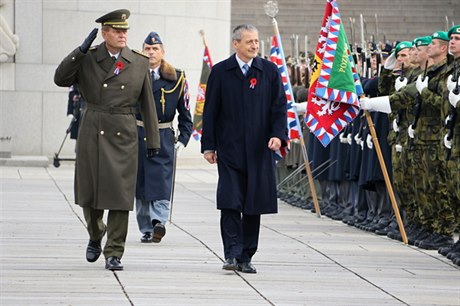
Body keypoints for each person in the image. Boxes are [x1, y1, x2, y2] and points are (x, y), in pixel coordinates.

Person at [54, 9, 160, 271]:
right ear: (104, 33)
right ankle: (95, 233)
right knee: (88, 195)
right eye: (117, 30)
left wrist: (153, 140)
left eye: (125, 30)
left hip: (123, 132)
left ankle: (114, 252)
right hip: (92, 128)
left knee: (120, 196)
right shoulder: (88, 58)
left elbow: (147, 103)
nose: (123, 34)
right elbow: (60, 79)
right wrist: (79, 51)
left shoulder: (138, 62)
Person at [201, 24, 288, 274]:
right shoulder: (220, 72)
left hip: (260, 151)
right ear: (236, 44)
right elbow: (211, 112)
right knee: (230, 202)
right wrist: (209, 146)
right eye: (249, 42)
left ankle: (246, 256)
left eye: (256, 42)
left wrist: (277, 135)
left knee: (253, 204)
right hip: (229, 151)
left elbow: (279, 107)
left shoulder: (269, 71)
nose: (254, 46)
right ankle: (232, 253)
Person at [135, 32, 192, 243]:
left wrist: (183, 138)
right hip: (138, 134)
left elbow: (185, 111)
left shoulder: (176, 77)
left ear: (162, 52)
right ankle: (146, 228)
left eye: (155, 49)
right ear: (142, 51)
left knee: (161, 181)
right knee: (140, 184)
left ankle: (158, 222)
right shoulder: (134, 74)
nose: (151, 52)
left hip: (163, 135)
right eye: (147, 49)